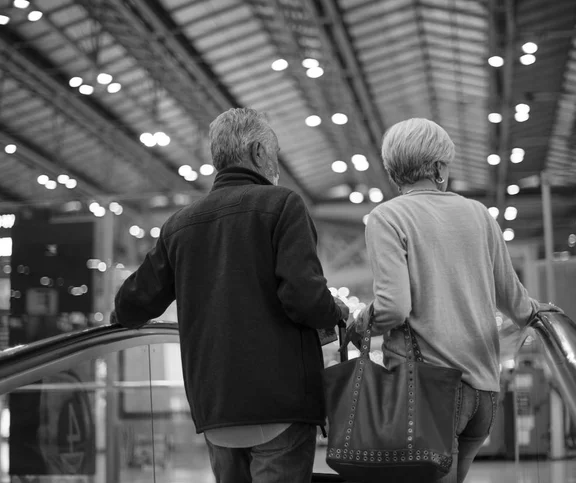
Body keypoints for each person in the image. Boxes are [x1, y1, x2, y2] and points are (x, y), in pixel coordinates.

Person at [112, 108, 349, 483]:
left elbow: (130, 304)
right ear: (258, 153)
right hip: (280, 403)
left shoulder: (179, 224)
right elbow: (304, 297)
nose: (277, 165)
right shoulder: (282, 205)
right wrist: (334, 311)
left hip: (215, 407)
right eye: (275, 154)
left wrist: (116, 320)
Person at [347, 118, 559, 483]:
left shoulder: (388, 217)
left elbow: (394, 305)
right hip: (484, 394)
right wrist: (544, 313)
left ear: (394, 169)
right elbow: (515, 301)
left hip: (427, 391)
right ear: (438, 167)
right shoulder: (478, 214)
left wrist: (360, 322)